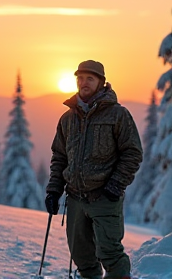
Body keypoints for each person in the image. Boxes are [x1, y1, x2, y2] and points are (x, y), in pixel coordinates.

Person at [45, 60, 143, 279]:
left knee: (111, 254)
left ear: (101, 82)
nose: (84, 82)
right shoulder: (68, 118)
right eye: (80, 78)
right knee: (82, 257)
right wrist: (54, 190)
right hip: (75, 200)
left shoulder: (118, 115)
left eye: (90, 78)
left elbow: (133, 153)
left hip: (104, 198)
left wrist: (115, 185)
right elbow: (60, 156)